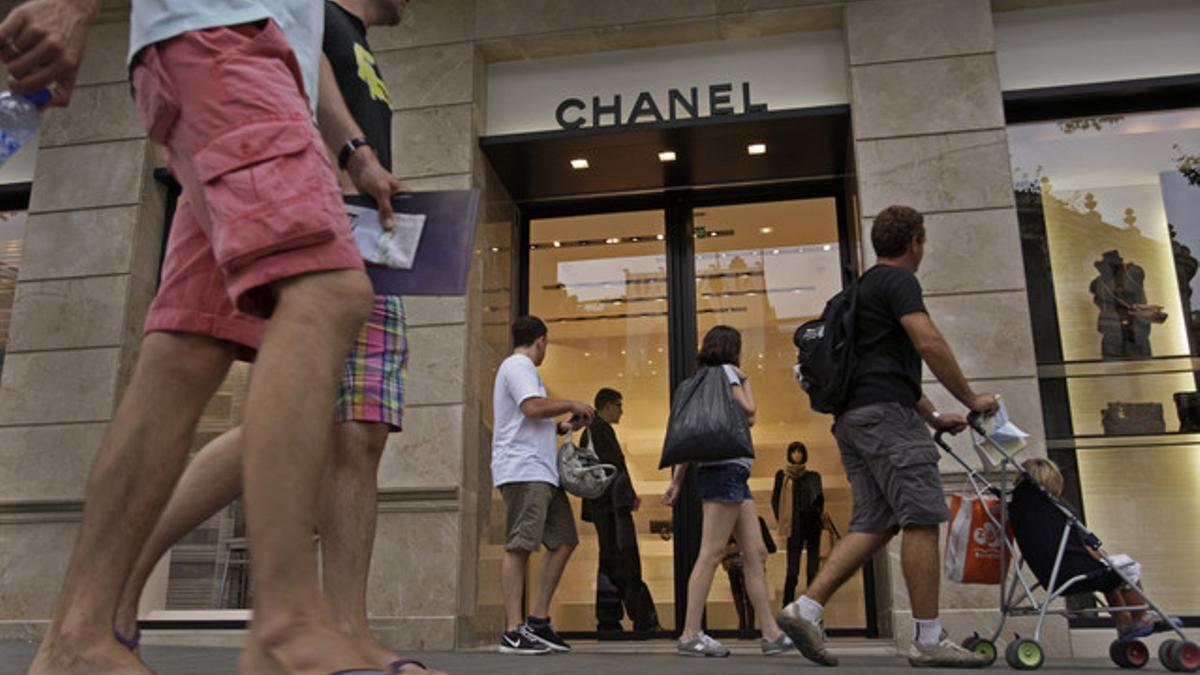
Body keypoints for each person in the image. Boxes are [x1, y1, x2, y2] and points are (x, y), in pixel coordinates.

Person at [2, 0, 405, 672]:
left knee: (187, 354)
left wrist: (352, 150)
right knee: (330, 289)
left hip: (255, 60)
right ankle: (287, 624)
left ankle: (77, 637)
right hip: (223, 42)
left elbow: (299, 29)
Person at [104, 1, 446, 673]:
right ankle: (151, 585)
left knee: (362, 427)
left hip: (365, 229)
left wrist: (364, 165)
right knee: (267, 397)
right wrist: (349, 157)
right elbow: (278, 86)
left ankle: (346, 628)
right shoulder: (305, 13)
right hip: (306, 209)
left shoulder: (342, 36)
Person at [777, 205, 1000, 669]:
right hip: (887, 420)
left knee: (874, 522)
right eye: (923, 243)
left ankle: (806, 608)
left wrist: (936, 415)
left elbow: (886, 371)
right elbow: (928, 342)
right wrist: (971, 396)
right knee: (921, 516)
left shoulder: (857, 293)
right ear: (915, 243)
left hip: (854, 420)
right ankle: (929, 639)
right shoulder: (899, 282)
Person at [662, 325, 795, 658]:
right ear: (732, 348)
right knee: (711, 552)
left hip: (727, 473)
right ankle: (690, 633)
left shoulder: (699, 381)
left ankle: (771, 633)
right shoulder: (727, 373)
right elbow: (749, 414)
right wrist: (745, 379)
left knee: (756, 553)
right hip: (726, 474)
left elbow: (693, 437)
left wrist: (677, 481)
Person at [492, 316, 595, 656]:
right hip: (523, 471)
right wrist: (570, 403)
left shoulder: (522, 369)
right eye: (546, 345)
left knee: (564, 539)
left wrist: (565, 425)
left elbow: (532, 420)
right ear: (541, 341)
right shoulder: (519, 364)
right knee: (519, 545)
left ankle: (537, 620)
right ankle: (512, 629)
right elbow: (531, 407)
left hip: (541, 471)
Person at [1010, 458, 1180, 641]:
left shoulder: (1021, 510)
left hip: (1050, 573)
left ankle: (1123, 622)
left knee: (1109, 573)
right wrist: (1099, 554)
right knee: (1126, 565)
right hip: (1073, 571)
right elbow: (1086, 546)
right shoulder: (1057, 510)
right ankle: (1140, 617)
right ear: (1054, 485)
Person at [580, 387, 661, 635]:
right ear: (606, 406)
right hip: (612, 509)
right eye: (618, 405)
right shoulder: (601, 431)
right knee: (626, 560)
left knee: (610, 561)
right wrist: (628, 495)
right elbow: (614, 470)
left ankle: (608, 620)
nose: (622, 411)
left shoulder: (592, 432)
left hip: (603, 508)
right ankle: (643, 620)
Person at [771, 441, 825, 606]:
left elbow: (820, 500)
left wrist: (817, 512)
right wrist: (783, 521)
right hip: (793, 527)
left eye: (800, 451)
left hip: (812, 527)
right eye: (793, 451)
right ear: (789, 454)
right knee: (792, 571)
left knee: (812, 571)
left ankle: (811, 605)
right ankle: (787, 605)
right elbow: (775, 501)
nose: (797, 454)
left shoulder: (813, 476)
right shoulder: (782, 476)